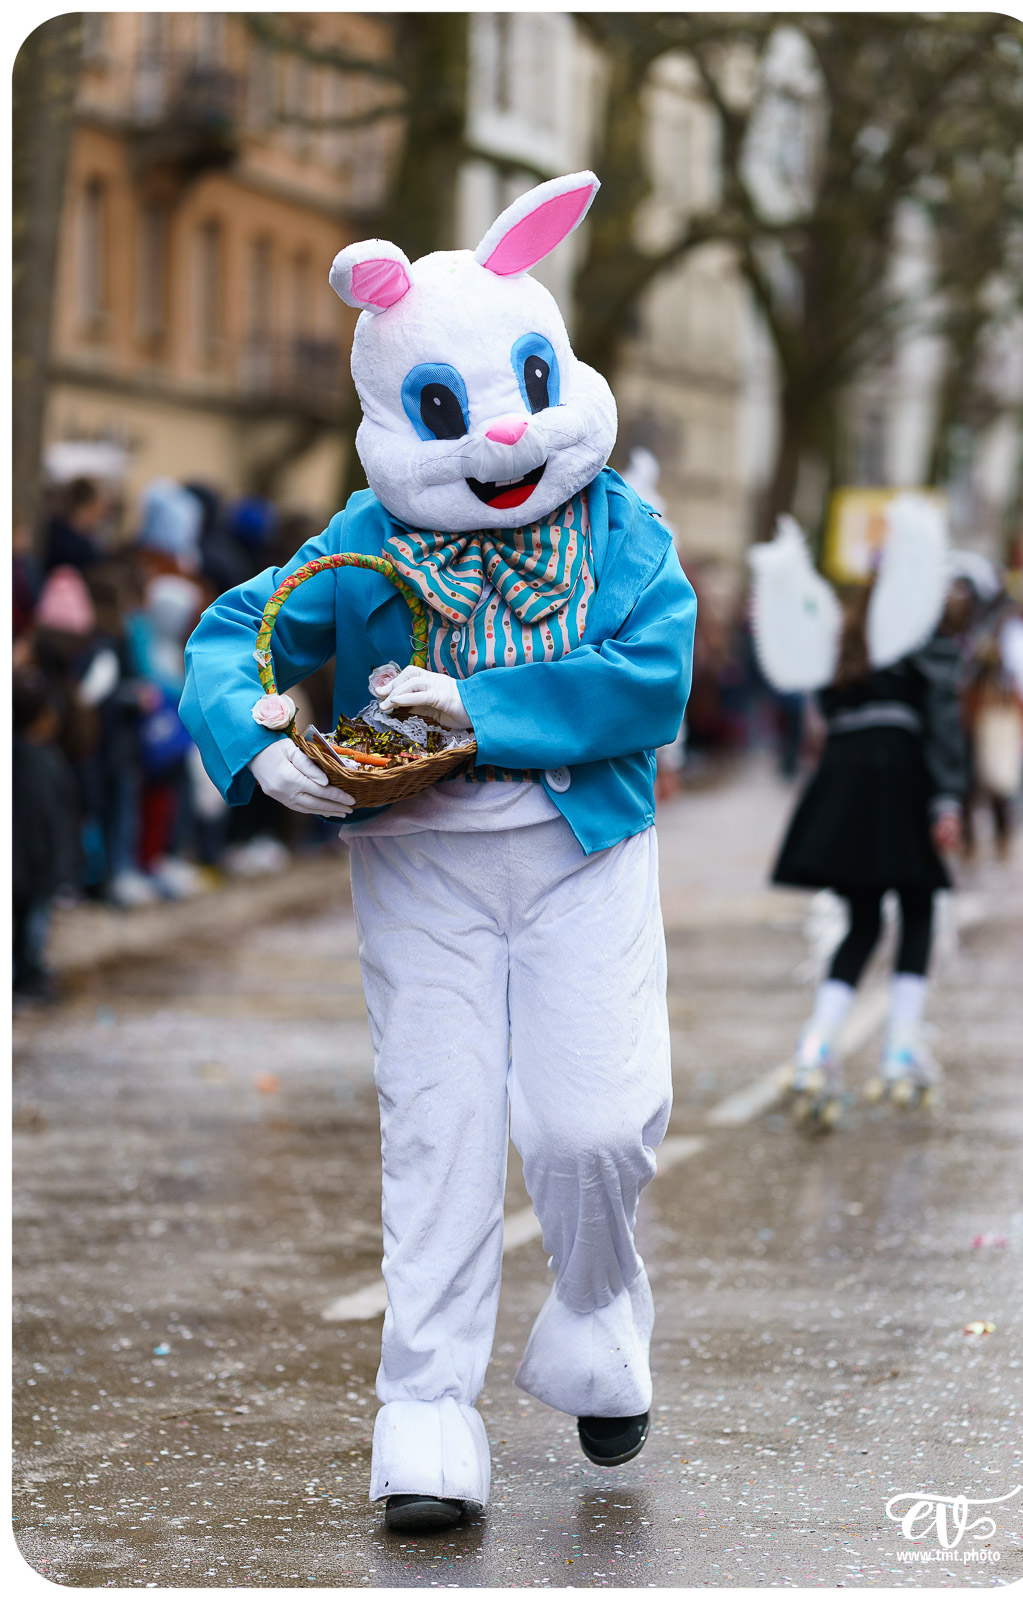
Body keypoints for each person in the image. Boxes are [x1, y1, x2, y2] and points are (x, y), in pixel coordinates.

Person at [180, 172, 696, 1532]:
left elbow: (653, 677)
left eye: (524, 383)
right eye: (449, 413)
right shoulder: (361, 544)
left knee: (593, 1124)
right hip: (419, 864)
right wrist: (255, 738)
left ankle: (592, 1320)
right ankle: (422, 1417)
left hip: (580, 849)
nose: (501, 439)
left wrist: (483, 707)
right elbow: (231, 639)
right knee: (441, 1131)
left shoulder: (621, 532)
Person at [751, 502, 966, 1125]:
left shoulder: (842, 631)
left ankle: (816, 1047)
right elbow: (941, 721)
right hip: (899, 778)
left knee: (863, 922)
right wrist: (947, 797)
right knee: (919, 906)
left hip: (844, 784)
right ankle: (899, 1050)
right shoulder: (917, 628)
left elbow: (820, 702)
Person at [12, 666, 82, 1001]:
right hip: (33, 864)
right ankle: (25, 976)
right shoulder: (33, 763)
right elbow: (45, 820)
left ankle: (28, 972)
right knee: (28, 927)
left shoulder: (37, 757)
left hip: (34, 864)